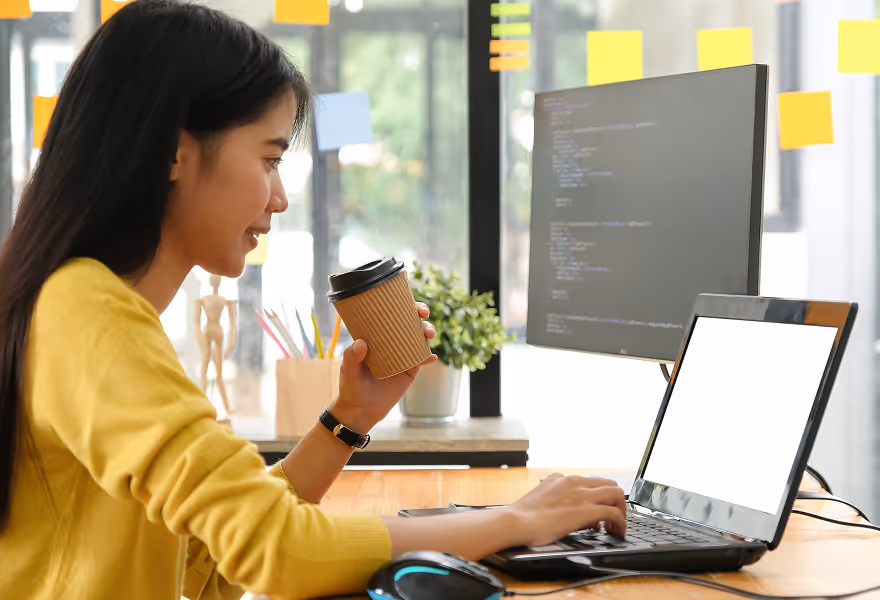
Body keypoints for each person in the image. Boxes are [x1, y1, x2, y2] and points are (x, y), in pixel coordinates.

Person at [0, 2, 627, 599]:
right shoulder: (88, 315)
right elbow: (276, 549)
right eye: (269, 160)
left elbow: (211, 567)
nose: (279, 198)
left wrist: (347, 418)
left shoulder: (77, 305)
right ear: (174, 152)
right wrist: (513, 522)